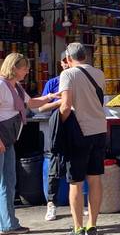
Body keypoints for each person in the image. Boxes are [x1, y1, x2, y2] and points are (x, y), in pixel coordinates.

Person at [0, 53, 59, 234]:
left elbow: (32, 102)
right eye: (24, 67)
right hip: (2, 139)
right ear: (14, 68)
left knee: (8, 182)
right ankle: (8, 224)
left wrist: (52, 96)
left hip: (9, 140)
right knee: (4, 182)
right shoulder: (1, 85)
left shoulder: (16, 87)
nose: (27, 71)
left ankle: (9, 224)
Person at [58, 43, 106, 235]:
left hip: (79, 133)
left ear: (69, 59)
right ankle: (92, 225)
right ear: (85, 56)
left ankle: (78, 228)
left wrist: (59, 124)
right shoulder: (99, 73)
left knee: (76, 182)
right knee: (95, 179)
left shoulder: (67, 74)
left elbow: (66, 105)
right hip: (99, 130)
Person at [39, 52, 69, 221]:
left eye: (69, 60)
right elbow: (41, 107)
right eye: (64, 61)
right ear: (61, 62)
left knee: (77, 165)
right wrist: (61, 101)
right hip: (56, 126)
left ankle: (77, 204)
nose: (66, 63)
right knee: (54, 166)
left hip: (77, 126)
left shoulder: (79, 81)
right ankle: (51, 204)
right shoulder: (53, 83)